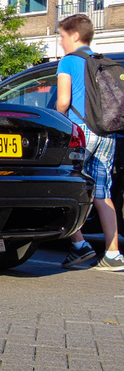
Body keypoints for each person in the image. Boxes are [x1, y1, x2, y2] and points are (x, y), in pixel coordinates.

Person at [56, 14, 124, 271]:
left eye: (62, 36)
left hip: (81, 132)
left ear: (74, 36)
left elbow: (63, 101)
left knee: (67, 187)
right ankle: (113, 254)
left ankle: (79, 246)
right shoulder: (102, 62)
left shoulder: (69, 61)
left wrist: (57, 119)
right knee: (102, 192)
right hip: (107, 132)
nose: (61, 41)